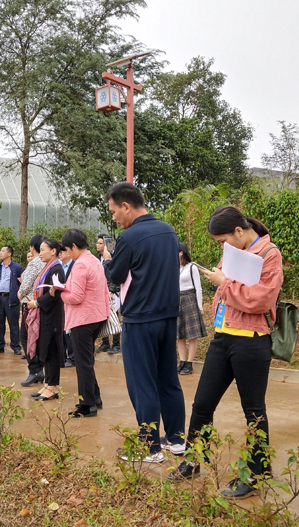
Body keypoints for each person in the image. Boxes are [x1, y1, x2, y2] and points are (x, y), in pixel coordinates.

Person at [170, 207, 283, 499]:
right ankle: (194, 460)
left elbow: (261, 299)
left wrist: (225, 284)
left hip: (251, 341)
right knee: (203, 403)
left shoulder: (269, 254)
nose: (222, 247)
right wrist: (221, 291)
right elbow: (224, 293)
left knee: (254, 411)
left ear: (239, 231)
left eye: (223, 240)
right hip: (224, 338)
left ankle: (257, 474)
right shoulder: (233, 251)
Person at [102, 182, 185, 463]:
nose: (114, 217)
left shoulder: (129, 238)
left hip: (139, 319)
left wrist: (106, 263)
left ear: (126, 206)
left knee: (142, 383)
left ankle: (149, 448)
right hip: (167, 317)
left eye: (114, 211)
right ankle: (176, 440)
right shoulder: (169, 231)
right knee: (168, 380)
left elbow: (115, 275)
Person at [57, 229, 109, 418]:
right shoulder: (94, 260)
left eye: (67, 249)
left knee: (82, 362)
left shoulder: (80, 265)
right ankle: (94, 398)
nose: (67, 253)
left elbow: (76, 297)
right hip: (96, 316)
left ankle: (87, 405)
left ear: (74, 246)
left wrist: (60, 292)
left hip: (83, 319)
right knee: (86, 360)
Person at [27, 239, 66, 401]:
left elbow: (55, 293)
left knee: (52, 351)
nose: (40, 253)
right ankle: (48, 383)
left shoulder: (56, 269)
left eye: (43, 250)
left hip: (53, 316)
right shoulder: (48, 267)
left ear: (53, 251)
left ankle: (53, 386)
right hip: (45, 315)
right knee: (46, 349)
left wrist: (36, 303)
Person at [18, 235, 46, 386]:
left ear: (32, 247)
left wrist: (19, 293)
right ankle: (38, 369)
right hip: (40, 303)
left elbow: (26, 283)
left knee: (27, 337)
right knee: (35, 337)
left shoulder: (35, 262)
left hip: (29, 303)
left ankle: (34, 370)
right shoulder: (48, 262)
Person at [176, 242, 207, 375]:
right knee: (179, 335)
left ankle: (189, 362)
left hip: (189, 300)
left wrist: (200, 306)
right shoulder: (173, 268)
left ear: (181, 252)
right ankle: (182, 361)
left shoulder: (192, 267)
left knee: (191, 334)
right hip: (177, 300)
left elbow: (198, 288)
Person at [0, 246, 23, 355]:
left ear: (9, 254)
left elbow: (21, 282)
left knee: (13, 324)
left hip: (11, 299)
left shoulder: (17, 268)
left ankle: (15, 346)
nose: (0, 253)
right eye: (0, 250)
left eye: (3, 251)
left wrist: (17, 295)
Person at [95, 234, 121, 354]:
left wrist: (111, 291)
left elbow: (114, 276)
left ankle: (116, 344)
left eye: (100, 243)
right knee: (102, 317)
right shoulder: (97, 258)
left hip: (112, 292)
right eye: (97, 243)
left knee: (114, 317)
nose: (97, 245)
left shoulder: (113, 258)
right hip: (100, 292)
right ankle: (105, 343)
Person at [59, 247, 75, 368]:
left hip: (71, 302)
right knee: (62, 330)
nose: (60, 254)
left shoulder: (75, 266)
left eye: (62, 251)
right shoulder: (59, 267)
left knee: (69, 331)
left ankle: (73, 357)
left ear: (69, 253)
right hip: (60, 302)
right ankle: (63, 357)